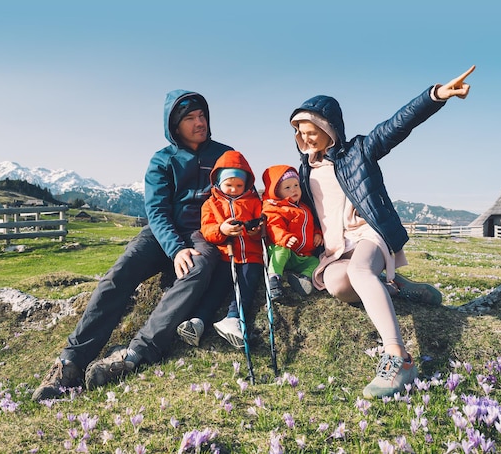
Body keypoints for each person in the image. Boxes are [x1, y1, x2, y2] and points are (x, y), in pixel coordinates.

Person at [32, 90, 233, 401]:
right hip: (161, 232)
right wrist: (175, 249)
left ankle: (133, 355)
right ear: (174, 125)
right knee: (118, 274)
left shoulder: (224, 155)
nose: (200, 123)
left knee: (197, 269)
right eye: (190, 118)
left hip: (205, 232)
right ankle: (69, 363)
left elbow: (240, 193)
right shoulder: (162, 160)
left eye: (202, 116)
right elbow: (157, 211)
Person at [289, 66, 475, 399]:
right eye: (299, 132)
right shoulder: (305, 170)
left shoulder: (359, 151)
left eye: (310, 130)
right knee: (337, 284)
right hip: (335, 248)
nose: (305, 138)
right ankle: (395, 287)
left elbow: (396, 126)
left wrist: (435, 96)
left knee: (361, 270)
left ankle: (397, 356)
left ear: (328, 127)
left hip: (367, 235)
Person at [177, 150, 264, 349]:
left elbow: (261, 226)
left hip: (251, 256)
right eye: (229, 184)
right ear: (218, 182)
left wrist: (254, 232)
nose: (234, 189)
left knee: (245, 286)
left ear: (247, 183)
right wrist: (222, 229)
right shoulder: (211, 204)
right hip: (225, 256)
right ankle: (198, 322)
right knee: (215, 289)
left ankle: (233, 319)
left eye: (239, 185)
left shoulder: (253, 202)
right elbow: (207, 230)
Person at [261, 165, 323, 300]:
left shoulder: (304, 207)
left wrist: (317, 233)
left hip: (300, 255)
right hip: (281, 248)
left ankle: (303, 278)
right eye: (287, 188)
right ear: (276, 192)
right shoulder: (274, 207)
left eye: (296, 185)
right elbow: (274, 226)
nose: (294, 190)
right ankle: (274, 279)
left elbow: (310, 225)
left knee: (316, 261)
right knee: (281, 250)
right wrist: (285, 238)